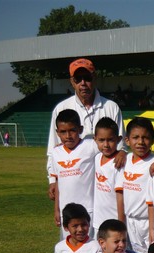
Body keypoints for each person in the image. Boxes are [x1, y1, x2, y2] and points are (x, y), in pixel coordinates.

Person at [47, 58, 124, 201]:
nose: (83, 83)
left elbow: (120, 146)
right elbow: (53, 150)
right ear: (72, 81)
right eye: (78, 79)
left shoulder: (111, 107)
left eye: (87, 78)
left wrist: (123, 154)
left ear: (94, 78)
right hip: (75, 178)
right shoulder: (61, 108)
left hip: (105, 178)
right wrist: (52, 180)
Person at [49, 109, 99, 239]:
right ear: (57, 133)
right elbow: (58, 182)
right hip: (66, 212)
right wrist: (57, 209)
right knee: (70, 247)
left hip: (88, 209)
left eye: (72, 130)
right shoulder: (56, 152)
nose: (68, 136)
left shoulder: (91, 146)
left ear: (80, 129)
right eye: (63, 132)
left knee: (89, 248)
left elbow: (110, 147)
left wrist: (121, 152)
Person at [115, 117, 154, 253]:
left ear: (152, 140)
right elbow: (120, 193)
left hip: (149, 223)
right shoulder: (125, 160)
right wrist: (121, 222)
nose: (140, 142)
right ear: (127, 140)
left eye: (145, 138)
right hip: (130, 222)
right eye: (135, 137)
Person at [92, 117, 124, 232]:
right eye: (101, 140)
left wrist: (121, 223)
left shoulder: (119, 163)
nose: (106, 144)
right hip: (98, 221)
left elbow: (120, 196)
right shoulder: (96, 158)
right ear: (94, 139)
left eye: (110, 140)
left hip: (114, 221)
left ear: (118, 139)